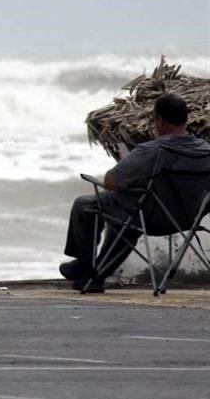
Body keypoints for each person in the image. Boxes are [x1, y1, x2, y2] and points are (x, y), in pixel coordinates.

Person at [60, 93, 210, 292]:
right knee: (127, 216)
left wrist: (126, 162)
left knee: (85, 205)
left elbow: (111, 181)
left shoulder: (152, 150)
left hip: (149, 217)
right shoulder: (206, 150)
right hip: (186, 219)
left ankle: (85, 266)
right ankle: (95, 276)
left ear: (161, 121)